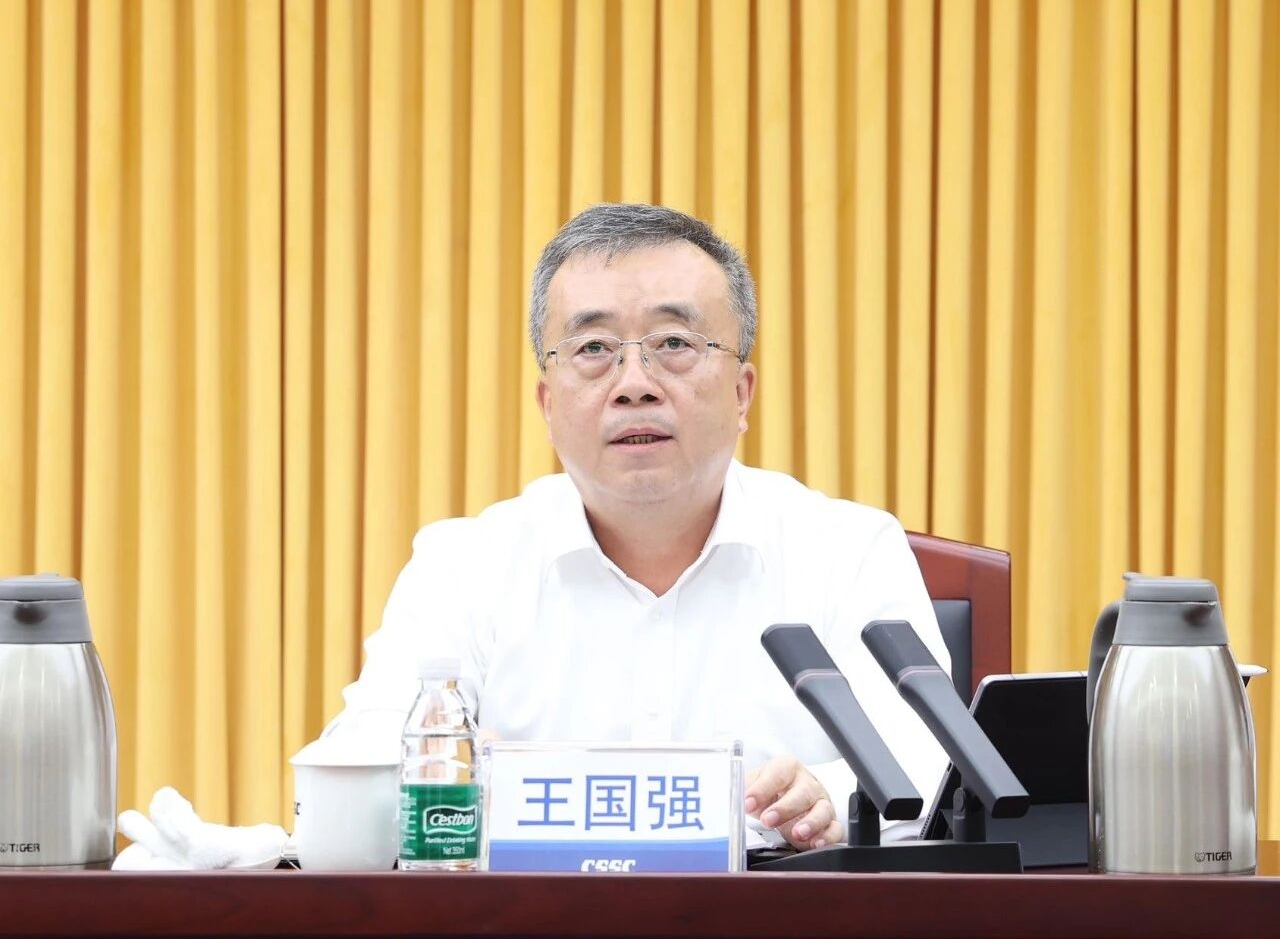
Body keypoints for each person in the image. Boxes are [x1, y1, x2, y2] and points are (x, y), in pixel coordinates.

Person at [329, 203, 951, 851]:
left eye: (674, 344)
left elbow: (930, 762)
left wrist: (828, 795)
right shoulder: (461, 566)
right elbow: (361, 765)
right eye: (594, 349)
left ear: (742, 394)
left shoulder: (848, 552)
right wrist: (443, 774)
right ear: (548, 404)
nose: (634, 385)